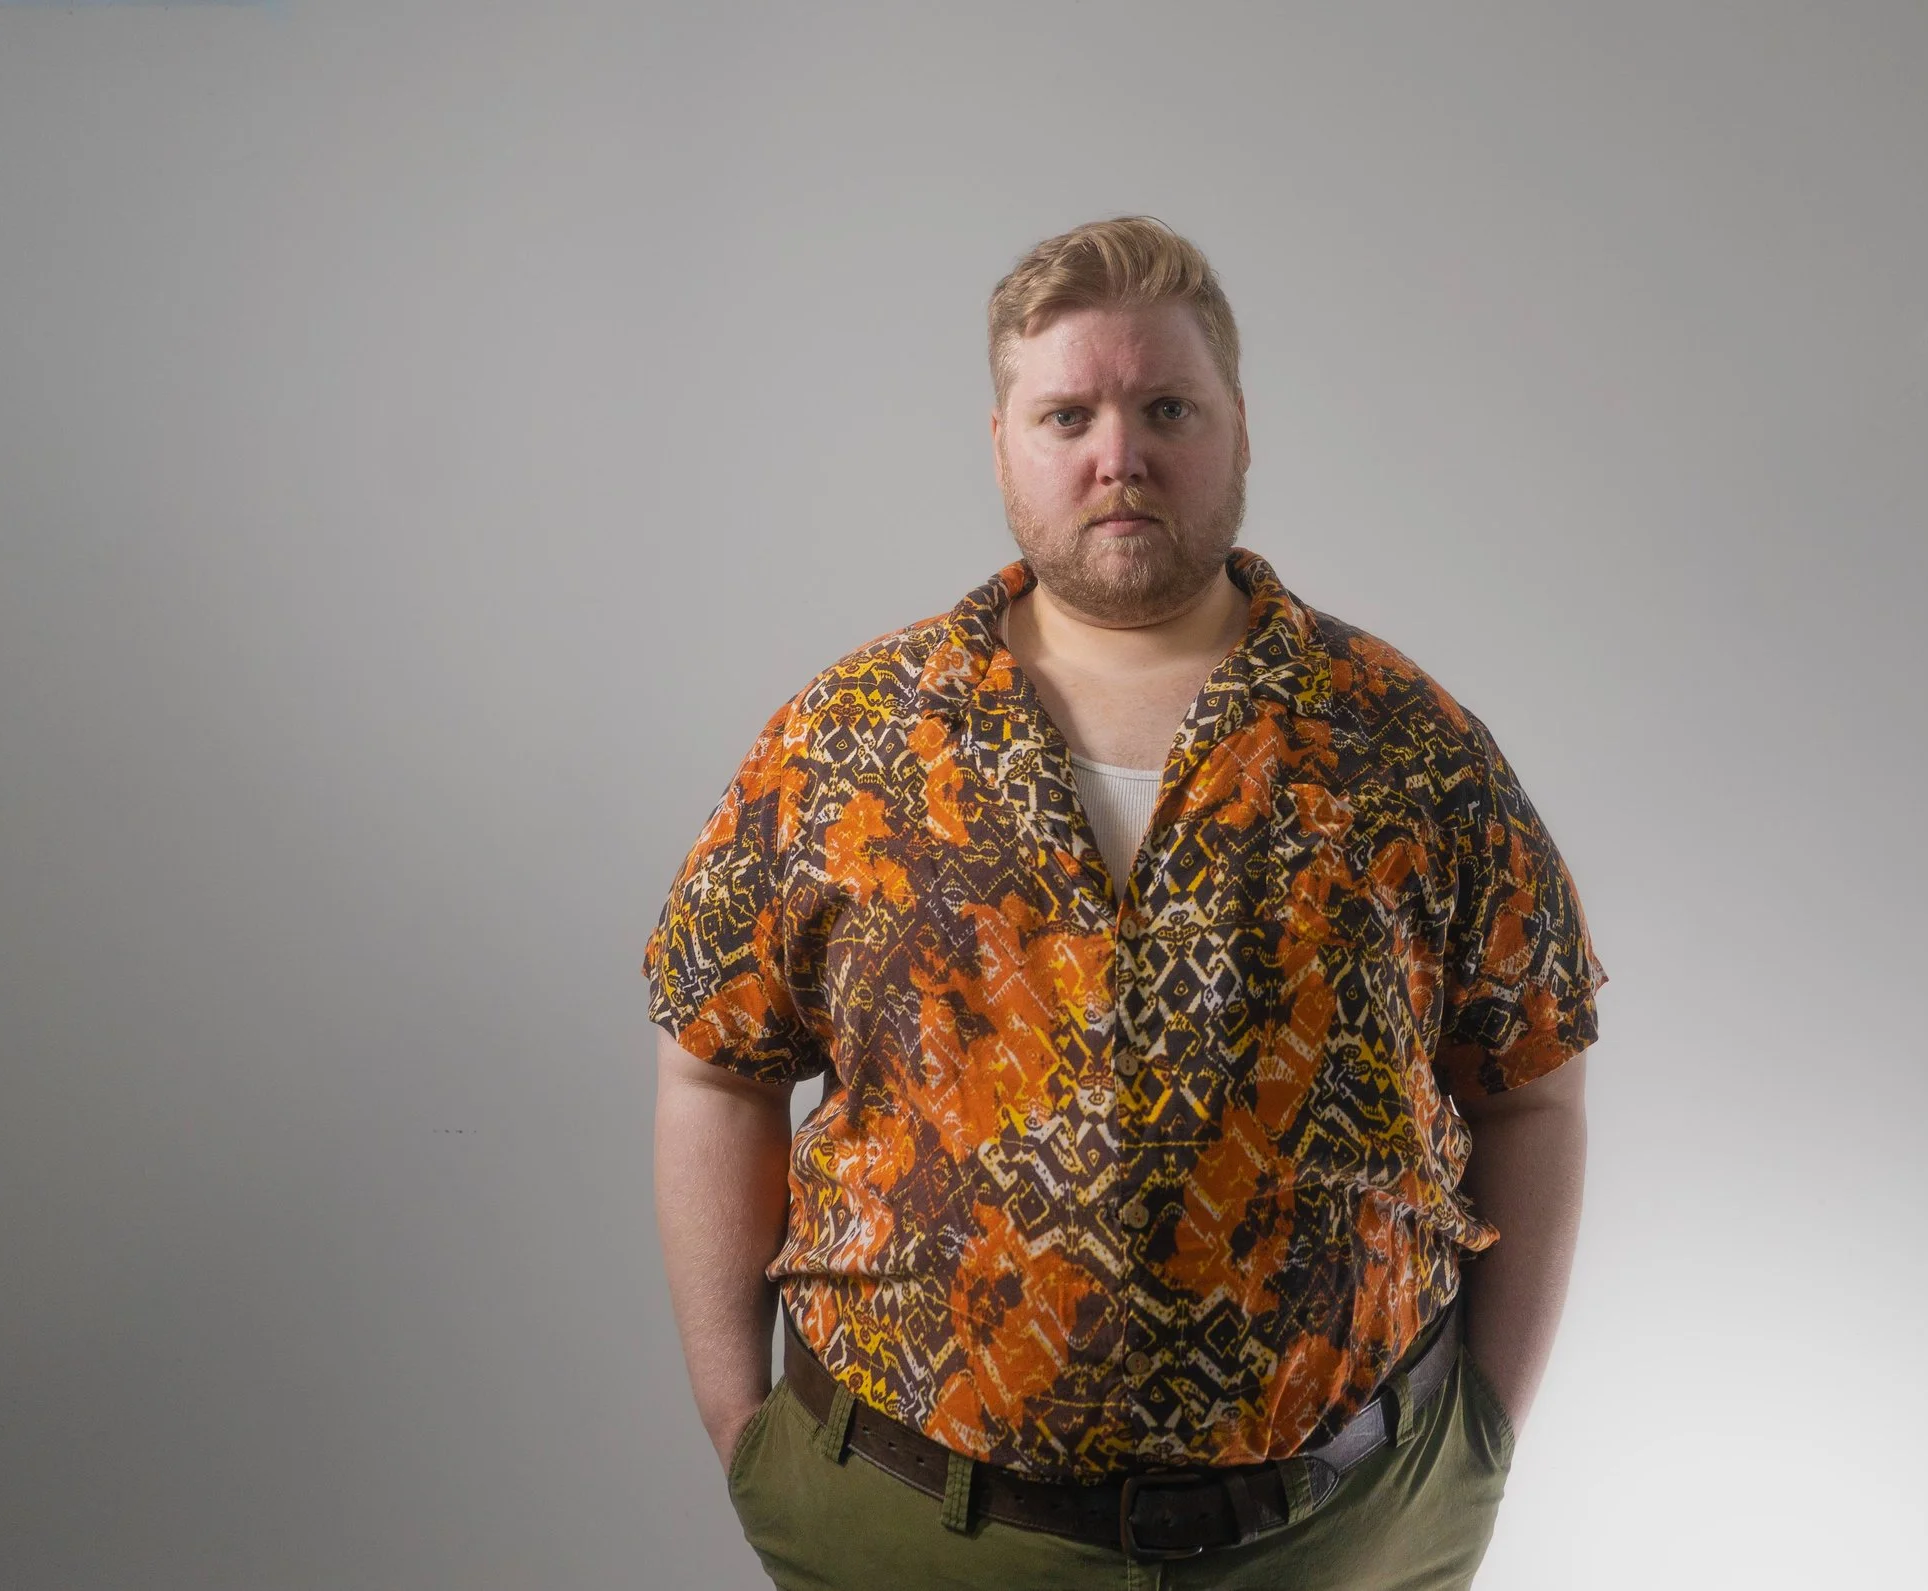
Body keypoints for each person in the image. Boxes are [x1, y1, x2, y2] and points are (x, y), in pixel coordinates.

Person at [642, 215, 1605, 1590]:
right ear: (1000, 444)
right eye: (1068, 413)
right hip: (916, 1525)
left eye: (1166, 407)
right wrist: (742, 1427)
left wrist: (1481, 1432)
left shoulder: (1406, 744)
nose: (1120, 453)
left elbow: (1533, 1085)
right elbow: (711, 1064)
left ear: (1239, 428)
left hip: (1339, 1534)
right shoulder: (847, 742)